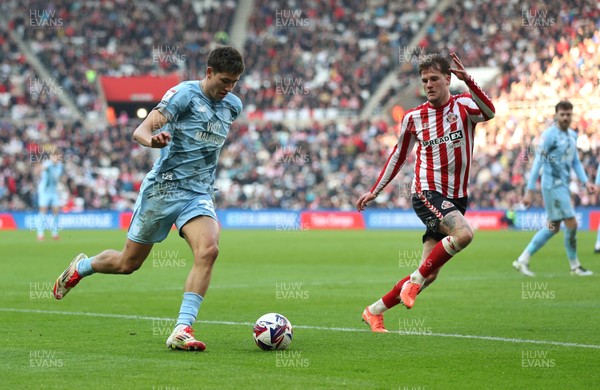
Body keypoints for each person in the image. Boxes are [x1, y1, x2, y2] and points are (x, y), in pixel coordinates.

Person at [52, 46, 245, 351]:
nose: (228, 88)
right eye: (224, 80)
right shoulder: (183, 95)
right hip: (163, 190)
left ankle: (182, 328)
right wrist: (152, 140)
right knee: (127, 264)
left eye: (234, 82)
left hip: (198, 193)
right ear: (209, 72)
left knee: (208, 250)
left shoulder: (232, 105)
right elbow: (141, 129)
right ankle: (82, 266)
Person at [356, 53, 495, 332]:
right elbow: (398, 156)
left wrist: (469, 81)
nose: (429, 84)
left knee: (429, 273)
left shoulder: (465, 105)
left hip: (456, 197)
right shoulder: (413, 117)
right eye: (424, 80)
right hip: (426, 192)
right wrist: (375, 190)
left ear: (447, 78)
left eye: (434, 79)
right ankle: (415, 282)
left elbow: (490, 112)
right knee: (464, 234)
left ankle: (374, 311)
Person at [512, 101, 595, 277]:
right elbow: (538, 163)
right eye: (562, 114)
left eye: (568, 114)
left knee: (553, 226)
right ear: (556, 115)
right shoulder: (549, 135)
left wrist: (585, 182)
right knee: (571, 222)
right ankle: (575, 266)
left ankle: (522, 259)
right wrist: (529, 190)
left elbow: (575, 162)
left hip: (563, 185)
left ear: (572, 115)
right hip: (551, 185)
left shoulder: (572, 135)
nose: (565, 117)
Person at [35, 151, 63, 240]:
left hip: (54, 191)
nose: (55, 158)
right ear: (51, 157)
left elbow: (57, 177)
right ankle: (40, 233)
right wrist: (42, 167)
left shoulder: (60, 166)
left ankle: (55, 233)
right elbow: (39, 170)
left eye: (57, 157)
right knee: (43, 210)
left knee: (56, 211)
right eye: (53, 156)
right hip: (44, 191)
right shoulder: (47, 164)